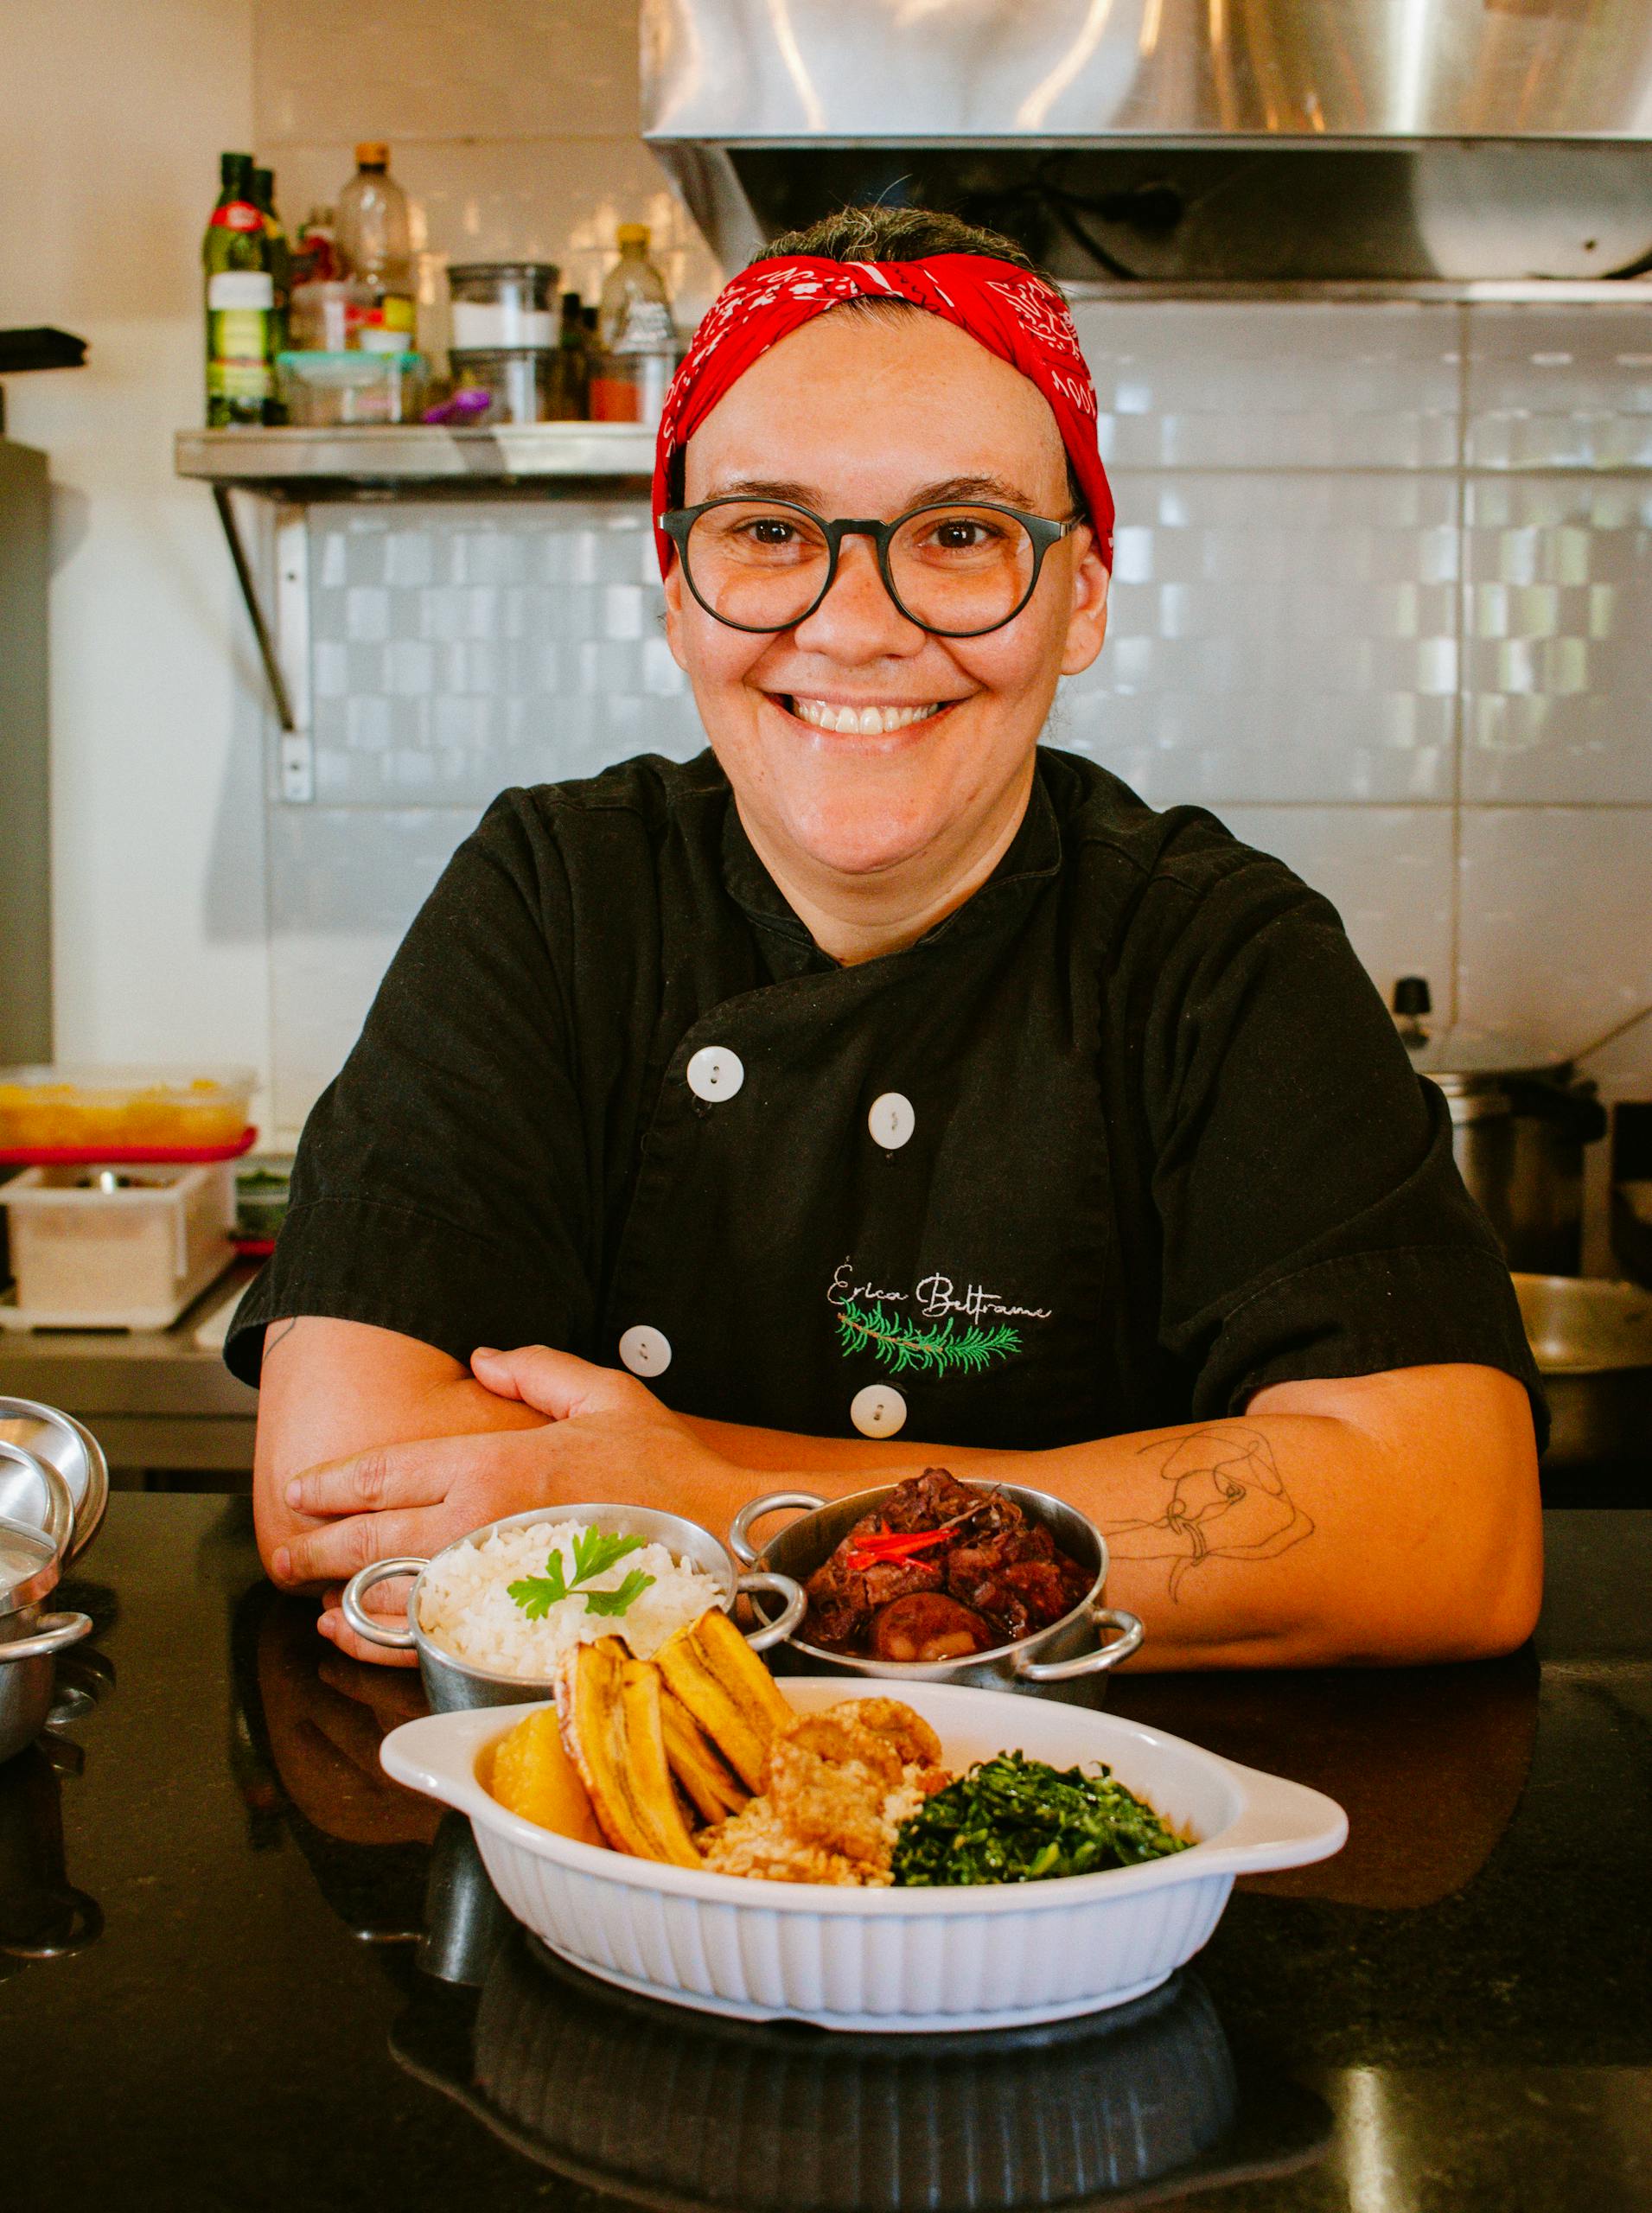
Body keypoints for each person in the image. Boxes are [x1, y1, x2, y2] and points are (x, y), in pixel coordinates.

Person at [230, 207, 1544, 1671]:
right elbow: (337, 1476)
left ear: (1081, 597)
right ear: (676, 592)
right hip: (618, 1810)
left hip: (1080, 1813)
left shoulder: (1217, 954)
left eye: (961, 535)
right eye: (769, 532)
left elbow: (1452, 1524)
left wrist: (707, 1508)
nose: (856, 626)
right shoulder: (553, 897)